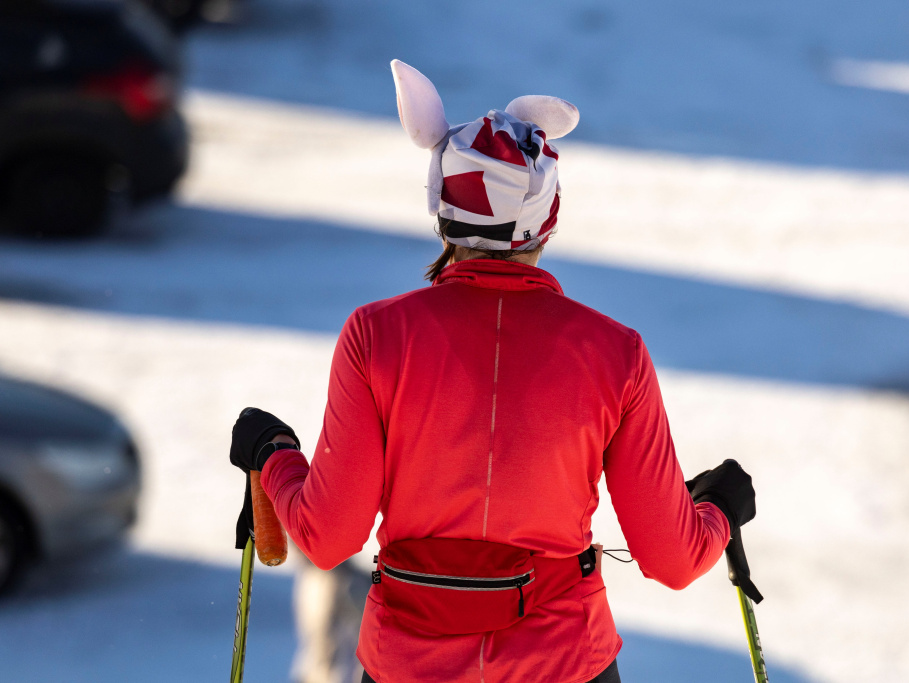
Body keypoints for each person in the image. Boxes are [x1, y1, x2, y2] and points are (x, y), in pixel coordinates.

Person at [229, 60, 756, 683]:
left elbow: (327, 535)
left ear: (442, 206)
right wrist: (718, 510)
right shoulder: (615, 354)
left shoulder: (375, 337)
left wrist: (274, 456)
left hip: (407, 666)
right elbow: (672, 558)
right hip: (564, 664)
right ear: (547, 215)